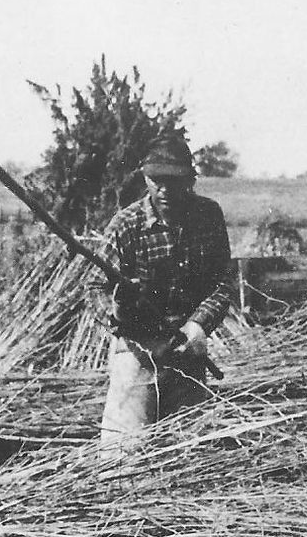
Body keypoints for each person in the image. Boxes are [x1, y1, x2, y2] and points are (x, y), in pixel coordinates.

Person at [94, 130, 232, 445]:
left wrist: (199, 324)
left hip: (187, 352)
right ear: (145, 179)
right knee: (123, 458)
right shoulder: (126, 225)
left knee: (190, 455)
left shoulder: (208, 218)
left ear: (191, 181)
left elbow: (223, 281)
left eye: (175, 181)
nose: (166, 189)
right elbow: (95, 286)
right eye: (157, 180)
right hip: (136, 352)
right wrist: (117, 316)